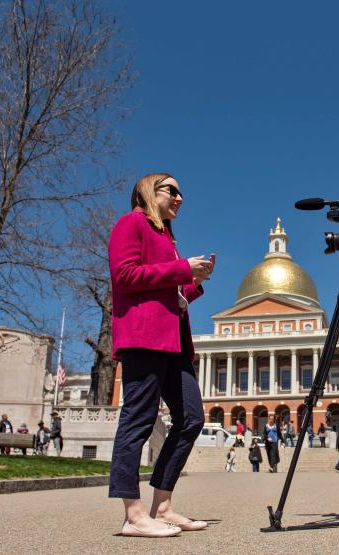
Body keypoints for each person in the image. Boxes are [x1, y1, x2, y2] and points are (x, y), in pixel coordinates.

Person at [108, 173, 216, 538]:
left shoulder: (166, 238)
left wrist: (193, 281)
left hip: (174, 342)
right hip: (143, 336)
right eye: (172, 190)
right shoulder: (131, 224)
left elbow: (171, 291)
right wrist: (182, 267)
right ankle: (133, 514)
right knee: (137, 419)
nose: (180, 197)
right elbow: (125, 276)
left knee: (191, 418)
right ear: (148, 192)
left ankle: (163, 506)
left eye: (182, 191)